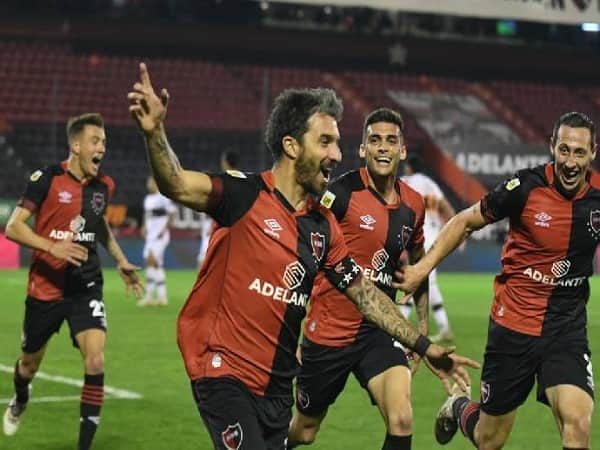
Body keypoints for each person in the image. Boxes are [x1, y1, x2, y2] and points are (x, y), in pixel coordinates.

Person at [127, 62, 478, 450]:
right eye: (325, 142)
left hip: (277, 386)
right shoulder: (245, 196)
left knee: (316, 431)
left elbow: (366, 296)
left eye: (337, 143)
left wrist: (423, 345)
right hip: (225, 372)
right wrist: (154, 132)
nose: (336, 153)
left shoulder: (322, 226)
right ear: (292, 145)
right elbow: (176, 183)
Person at [395, 111, 597, 450]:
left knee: (578, 424)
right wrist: (421, 268)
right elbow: (464, 221)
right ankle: (459, 406)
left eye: (579, 152)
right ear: (552, 147)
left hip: (565, 330)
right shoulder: (524, 187)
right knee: (490, 440)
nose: (571, 161)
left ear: (592, 153)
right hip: (513, 327)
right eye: (564, 150)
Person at [288, 108, 431, 450]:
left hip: (377, 330)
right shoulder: (339, 194)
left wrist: (421, 326)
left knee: (402, 419)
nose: (383, 148)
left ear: (402, 150)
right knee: (304, 431)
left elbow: (418, 263)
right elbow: (302, 257)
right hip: (329, 330)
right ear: (363, 149)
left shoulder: (414, 204)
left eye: (391, 141)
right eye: (375, 140)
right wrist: (292, 327)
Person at [2, 113, 144, 449]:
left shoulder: (103, 187)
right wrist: (52, 246)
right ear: (76, 145)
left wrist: (120, 259)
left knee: (95, 359)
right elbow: (13, 227)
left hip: (85, 284)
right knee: (28, 364)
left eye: (105, 143)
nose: (102, 149)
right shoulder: (46, 179)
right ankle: (21, 397)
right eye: (96, 141)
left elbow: (99, 225)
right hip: (45, 287)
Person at [400, 154, 457, 342]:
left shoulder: (406, 180)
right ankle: (445, 328)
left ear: (409, 168)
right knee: (429, 282)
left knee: (418, 279)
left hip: (419, 235)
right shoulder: (431, 184)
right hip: (435, 235)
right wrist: (458, 233)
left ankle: (398, 325)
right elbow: (447, 208)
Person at [197, 150, 239, 268]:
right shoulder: (244, 181)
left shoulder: (222, 181)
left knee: (203, 266)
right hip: (236, 231)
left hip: (218, 230)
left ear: (225, 162)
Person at [139, 175, 177, 306]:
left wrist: (165, 229)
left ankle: (151, 296)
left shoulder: (163, 197)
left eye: (151, 182)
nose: (149, 185)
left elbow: (173, 213)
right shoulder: (148, 199)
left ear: (156, 184)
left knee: (151, 260)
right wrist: (144, 226)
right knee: (154, 264)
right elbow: (147, 215)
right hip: (151, 236)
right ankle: (160, 297)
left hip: (160, 235)